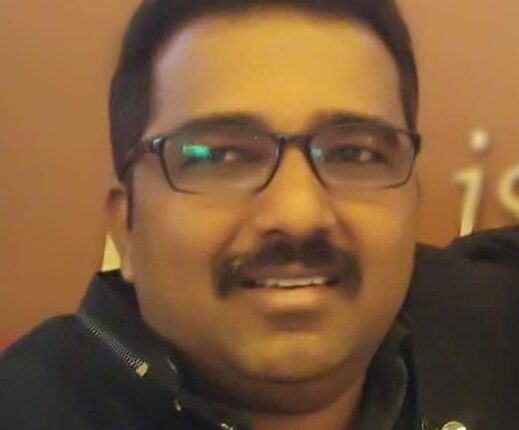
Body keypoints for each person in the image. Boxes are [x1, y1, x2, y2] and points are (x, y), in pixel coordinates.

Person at [1, 1, 519, 429]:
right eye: (219, 156)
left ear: (412, 202)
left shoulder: (489, 325)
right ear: (126, 228)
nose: (297, 213)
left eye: (354, 154)